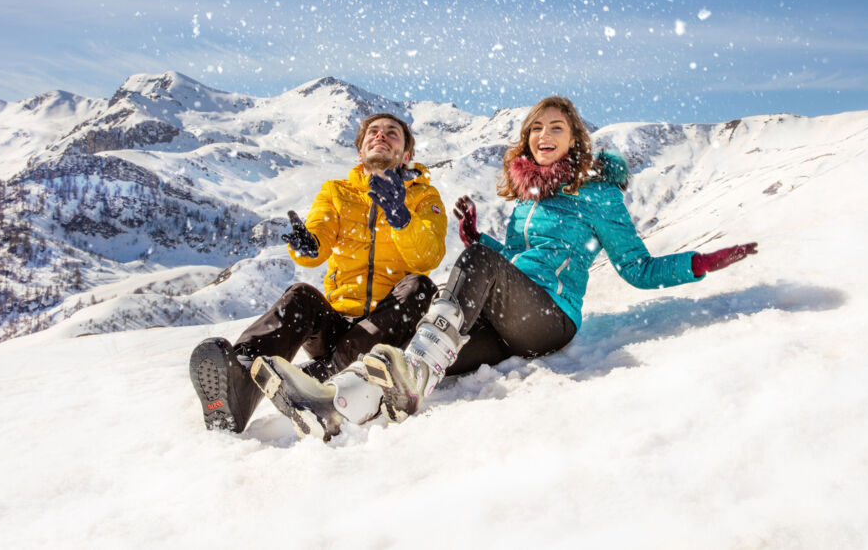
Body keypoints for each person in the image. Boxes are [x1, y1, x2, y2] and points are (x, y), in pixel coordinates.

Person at [250, 96, 758, 440]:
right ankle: (336, 406)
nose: (543, 135)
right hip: (507, 321)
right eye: (535, 128)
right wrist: (479, 238)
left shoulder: (599, 195)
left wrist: (698, 263)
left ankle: (413, 371)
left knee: (443, 318)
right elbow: (513, 261)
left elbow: (637, 268)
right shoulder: (527, 198)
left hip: (551, 319)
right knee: (414, 350)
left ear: (575, 138)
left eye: (555, 128)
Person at [189, 112, 447, 435]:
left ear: (407, 155)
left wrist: (402, 219)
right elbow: (319, 234)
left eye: (392, 133)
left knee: (420, 287)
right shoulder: (337, 192)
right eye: (373, 132)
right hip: (337, 328)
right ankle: (239, 382)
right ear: (360, 152)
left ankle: (323, 375)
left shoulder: (423, 197)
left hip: (388, 331)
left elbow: (430, 255)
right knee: (300, 297)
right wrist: (308, 244)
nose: (381, 136)